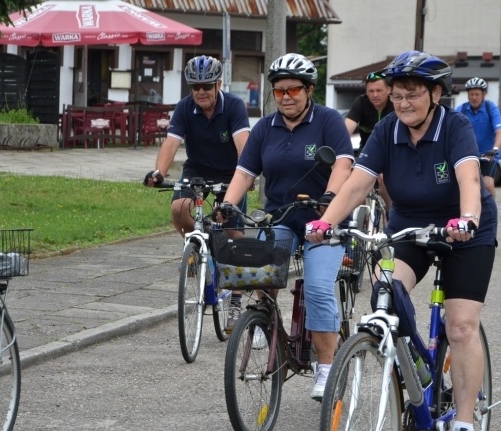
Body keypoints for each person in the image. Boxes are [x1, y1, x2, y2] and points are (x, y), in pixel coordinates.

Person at [305, 50, 497, 431]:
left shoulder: (456, 127)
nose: (403, 103)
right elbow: (357, 186)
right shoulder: (387, 130)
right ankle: (418, 369)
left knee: (461, 326)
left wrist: (467, 218)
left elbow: (468, 178)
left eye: (412, 94)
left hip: (465, 231)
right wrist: (324, 223)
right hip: (410, 225)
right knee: (385, 294)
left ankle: (464, 425)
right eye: (396, 96)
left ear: (435, 94)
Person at [219, 53, 354, 401]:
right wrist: (228, 205)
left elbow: (342, 164)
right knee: (261, 275)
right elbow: (244, 172)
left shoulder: (329, 121)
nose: (286, 97)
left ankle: (325, 367)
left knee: (319, 288)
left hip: (324, 218)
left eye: (293, 89)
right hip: (282, 217)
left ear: (309, 90)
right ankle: (264, 319)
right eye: (279, 92)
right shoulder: (265, 127)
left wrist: (330, 196)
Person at [143, 55, 251, 331]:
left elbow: (244, 145)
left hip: (232, 175)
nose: (201, 92)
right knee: (179, 209)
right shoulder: (184, 108)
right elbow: (171, 144)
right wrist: (159, 172)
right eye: (195, 87)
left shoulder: (234, 106)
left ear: (218, 84)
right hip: (197, 171)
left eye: (206, 86)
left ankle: (236, 302)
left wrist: (247, 175)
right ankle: (198, 247)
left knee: (233, 236)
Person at [455, 77, 501, 196]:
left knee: (487, 184)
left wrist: (495, 150)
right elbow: (453, 131)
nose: (474, 97)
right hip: (469, 154)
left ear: (484, 94)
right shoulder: (461, 110)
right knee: (462, 184)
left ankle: (491, 212)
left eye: (477, 94)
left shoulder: (490, 108)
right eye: (471, 94)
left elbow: (500, 131)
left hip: (488, 155)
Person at [344, 71, 395, 151]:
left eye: (379, 90)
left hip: (392, 153)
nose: (375, 95)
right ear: (366, 92)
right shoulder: (361, 102)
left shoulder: (396, 103)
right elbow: (345, 132)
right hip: (366, 153)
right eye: (371, 91)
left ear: (389, 90)